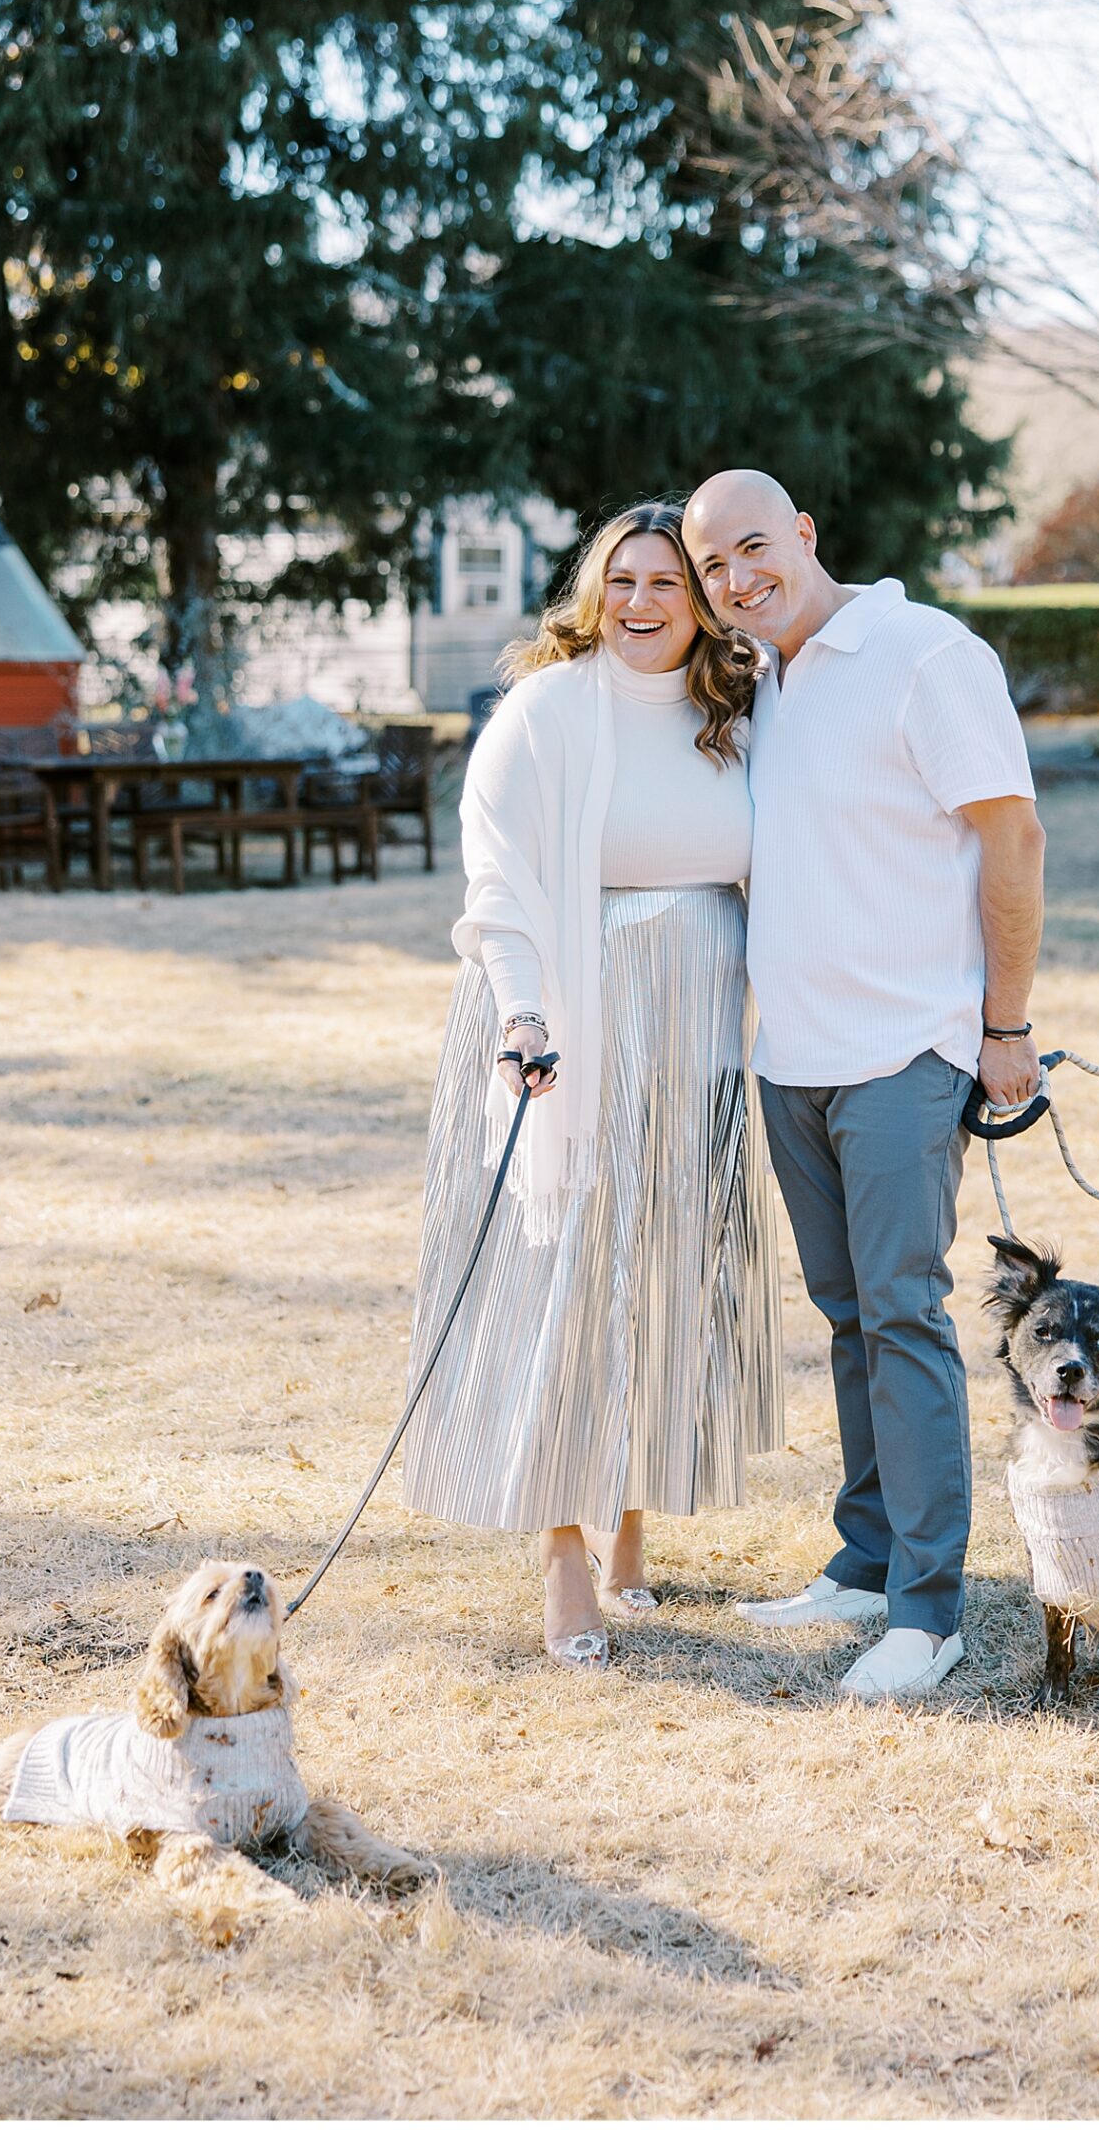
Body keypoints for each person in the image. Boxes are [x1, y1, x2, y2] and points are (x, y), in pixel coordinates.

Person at [681, 469, 1045, 1703]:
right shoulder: (764, 682)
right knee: (849, 1320)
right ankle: (868, 1557)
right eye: (713, 566)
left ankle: (928, 1614)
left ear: (804, 533)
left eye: (753, 547)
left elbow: (1013, 836)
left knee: (903, 1317)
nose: (737, 578)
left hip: (907, 1053)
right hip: (792, 1059)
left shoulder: (925, 654)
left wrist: (1006, 1026)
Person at [400, 502, 785, 1667]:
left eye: (667, 581)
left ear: (702, 602)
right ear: (593, 592)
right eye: (622, 579)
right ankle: (561, 1547)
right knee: (565, 1281)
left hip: (699, 1023)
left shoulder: (741, 710)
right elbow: (498, 881)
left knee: (665, 1270)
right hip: (573, 1013)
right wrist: (523, 1012)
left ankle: (631, 1515)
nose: (641, 601)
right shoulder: (544, 711)